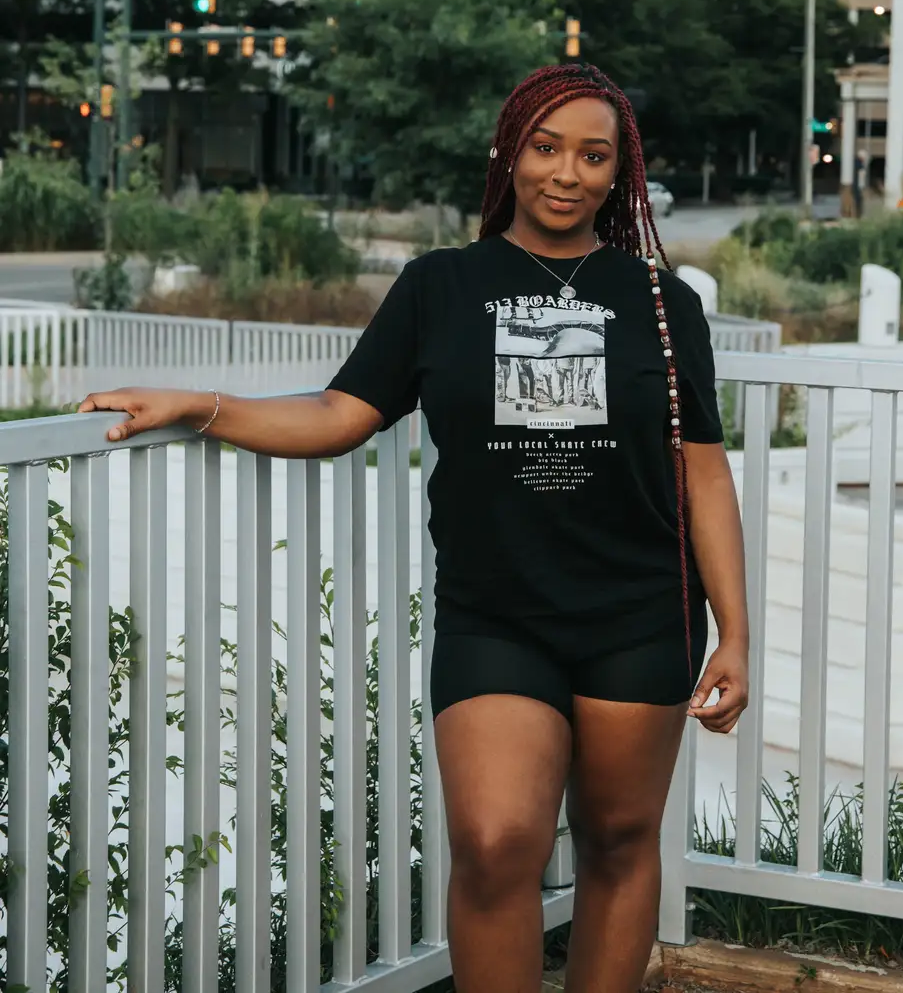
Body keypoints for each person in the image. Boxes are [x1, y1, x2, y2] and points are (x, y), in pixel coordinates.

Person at [80, 63, 750, 993]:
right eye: (545, 148)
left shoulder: (663, 306)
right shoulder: (441, 285)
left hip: (642, 613)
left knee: (622, 839)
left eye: (593, 156)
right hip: (496, 616)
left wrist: (737, 634)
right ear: (508, 155)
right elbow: (338, 413)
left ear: (619, 173)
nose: (567, 173)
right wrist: (199, 404)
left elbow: (702, 474)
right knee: (491, 842)